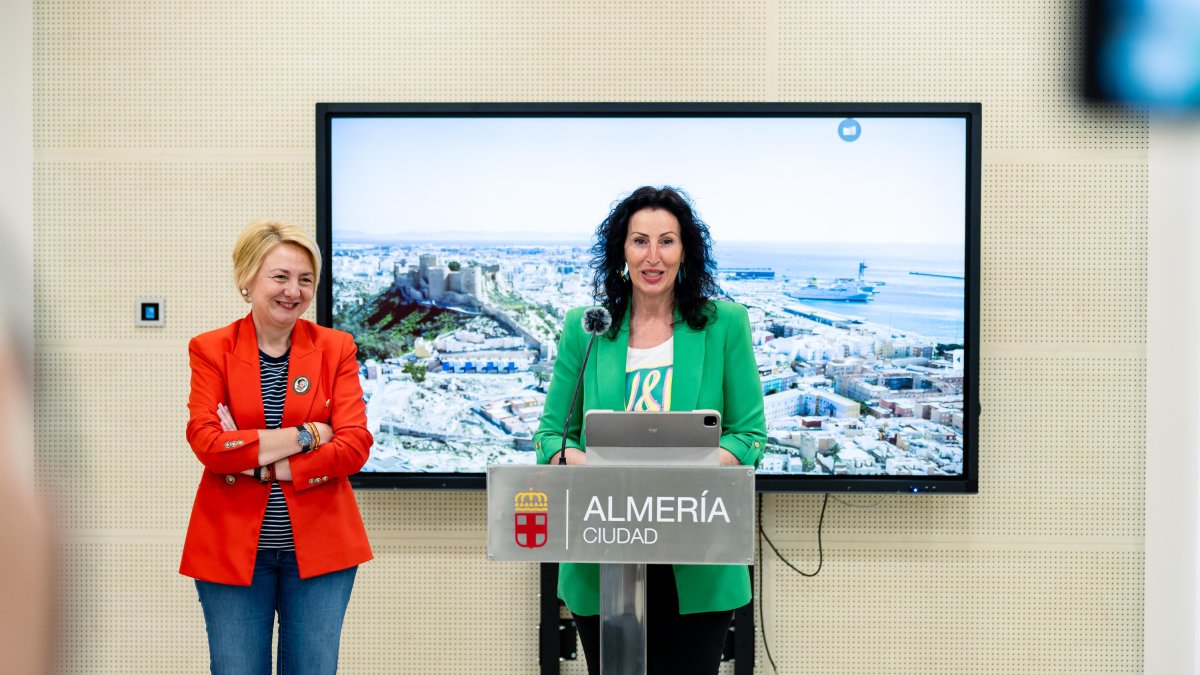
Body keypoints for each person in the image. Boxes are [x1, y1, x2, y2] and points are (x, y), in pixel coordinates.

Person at [533, 186, 767, 675]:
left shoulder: (725, 324)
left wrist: (684, 469)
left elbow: (748, 435)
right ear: (622, 249)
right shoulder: (587, 327)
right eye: (640, 241)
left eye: (667, 241)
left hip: (698, 554)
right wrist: (589, 463)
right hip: (603, 548)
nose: (653, 256)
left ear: (685, 251)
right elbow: (551, 436)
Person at [181, 219, 373, 675]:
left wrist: (254, 458)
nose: (293, 291)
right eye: (280, 277)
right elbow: (208, 444)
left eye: (305, 279)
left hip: (322, 547)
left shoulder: (335, 348)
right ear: (247, 279)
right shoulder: (211, 349)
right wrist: (310, 434)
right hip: (231, 547)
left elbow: (354, 446)